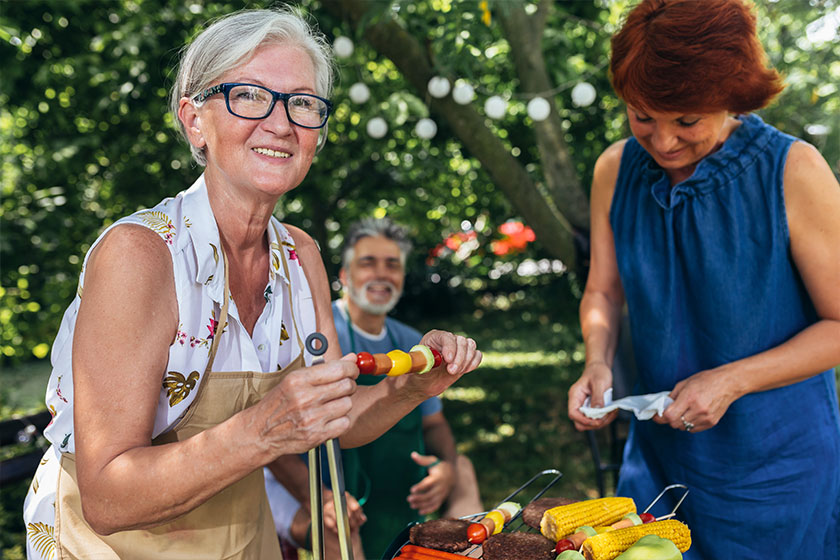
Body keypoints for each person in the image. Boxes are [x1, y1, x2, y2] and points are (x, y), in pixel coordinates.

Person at [22, 8, 482, 559]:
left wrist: (407, 388)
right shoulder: (140, 255)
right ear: (195, 121)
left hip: (244, 540)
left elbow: (333, 418)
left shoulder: (301, 256)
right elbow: (108, 498)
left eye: (303, 103)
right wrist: (263, 429)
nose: (282, 123)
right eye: (249, 95)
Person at [567, 0, 840, 557]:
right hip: (658, 464)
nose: (663, 142)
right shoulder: (614, 170)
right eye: (642, 116)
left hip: (776, 472)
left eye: (687, 120)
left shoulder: (794, 170)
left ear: (733, 96)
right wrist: (597, 359)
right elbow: (602, 291)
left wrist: (732, 379)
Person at [264, 218, 483, 559]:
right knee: (340, 528)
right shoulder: (315, 335)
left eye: (392, 264)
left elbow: (434, 423)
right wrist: (322, 499)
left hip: (387, 484)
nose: (381, 273)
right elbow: (273, 438)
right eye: (368, 263)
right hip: (305, 482)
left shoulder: (413, 341)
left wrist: (446, 468)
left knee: (464, 470)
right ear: (344, 276)